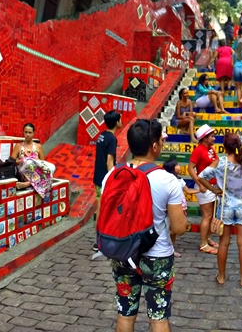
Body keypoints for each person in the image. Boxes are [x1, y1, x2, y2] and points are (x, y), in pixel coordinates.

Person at [109, 120, 186, 331]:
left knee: (125, 313)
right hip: (157, 256)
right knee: (158, 317)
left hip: (122, 252)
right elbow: (179, 228)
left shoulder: (113, 175)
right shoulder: (167, 180)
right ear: (154, 146)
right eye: (161, 140)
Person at [197, 133, 242, 288]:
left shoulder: (220, 163)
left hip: (225, 207)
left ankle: (221, 276)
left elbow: (200, 177)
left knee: (224, 243)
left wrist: (214, 189)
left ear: (225, 147)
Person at [187, 124, 220, 255]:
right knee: (207, 216)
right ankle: (203, 244)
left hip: (213, 186)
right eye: (212, 136)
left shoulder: (211, 149)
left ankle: (207, 238)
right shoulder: (198, 150)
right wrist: (200, 184)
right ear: (205, 138)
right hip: (204, 188)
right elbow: (190, 168)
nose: (214, 138)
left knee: (211, 215)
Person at [92, 111, 120, 254]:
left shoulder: (101, 136)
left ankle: (99, 240)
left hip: (98, 177)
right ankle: (99, 242)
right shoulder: (112, 139)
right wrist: (113, 178)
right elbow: (110, 161)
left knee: (100, 208)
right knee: (103, 210)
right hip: (105, 179)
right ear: (116, 122)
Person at [162, 159, 198, 258]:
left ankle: (171, 249)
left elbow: (188, 191)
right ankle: (161, 239)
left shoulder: (180, 180)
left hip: (181, 207)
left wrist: (200, 190)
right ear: (171, 168)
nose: (179, 167)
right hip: (172, 208)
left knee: (175, 232)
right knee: (174, 230)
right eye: (176, 165)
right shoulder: (166, 181)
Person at [11, 122, 55, 196]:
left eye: (30, 132)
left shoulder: (38, 146)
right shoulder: (18, 146)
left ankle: (28, 184)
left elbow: (43, 164)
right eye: (26, 132)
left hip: (36, 174)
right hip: (24, 174)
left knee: (52, 167)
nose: (28, 135)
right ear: (23, 132)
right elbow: (11, 162)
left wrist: (37, 160)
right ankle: (31, 183)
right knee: (27, 162)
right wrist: (20, 161)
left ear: (33, 133)